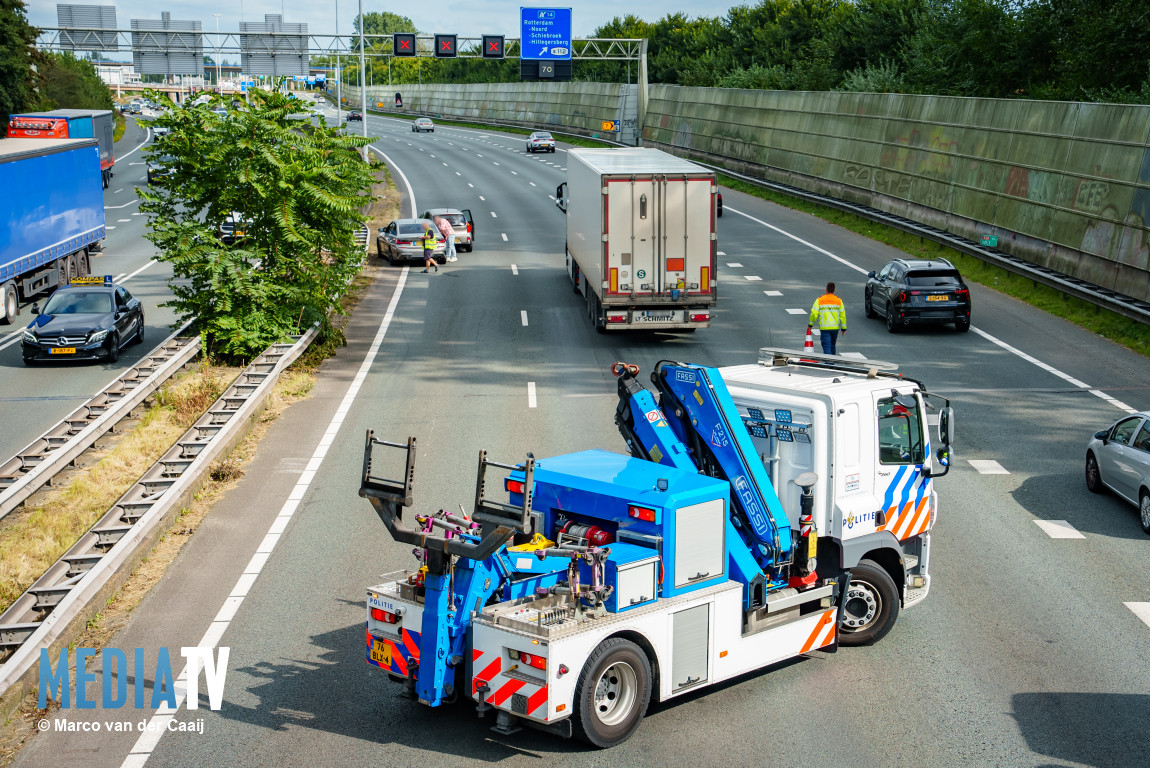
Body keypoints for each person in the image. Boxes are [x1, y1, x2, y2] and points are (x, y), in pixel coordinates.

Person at [808, 281, 847, 355]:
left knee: (827, 348)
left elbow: (814, 313)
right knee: (832, 347)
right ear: (834, 290)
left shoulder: (820, 300)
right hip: (835, 328)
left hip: (825, 328)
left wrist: (810, 325)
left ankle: (828, 364)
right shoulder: (838, 300)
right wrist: (844, 328)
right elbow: (843, 315)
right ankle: (832, 364)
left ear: (826, 290)